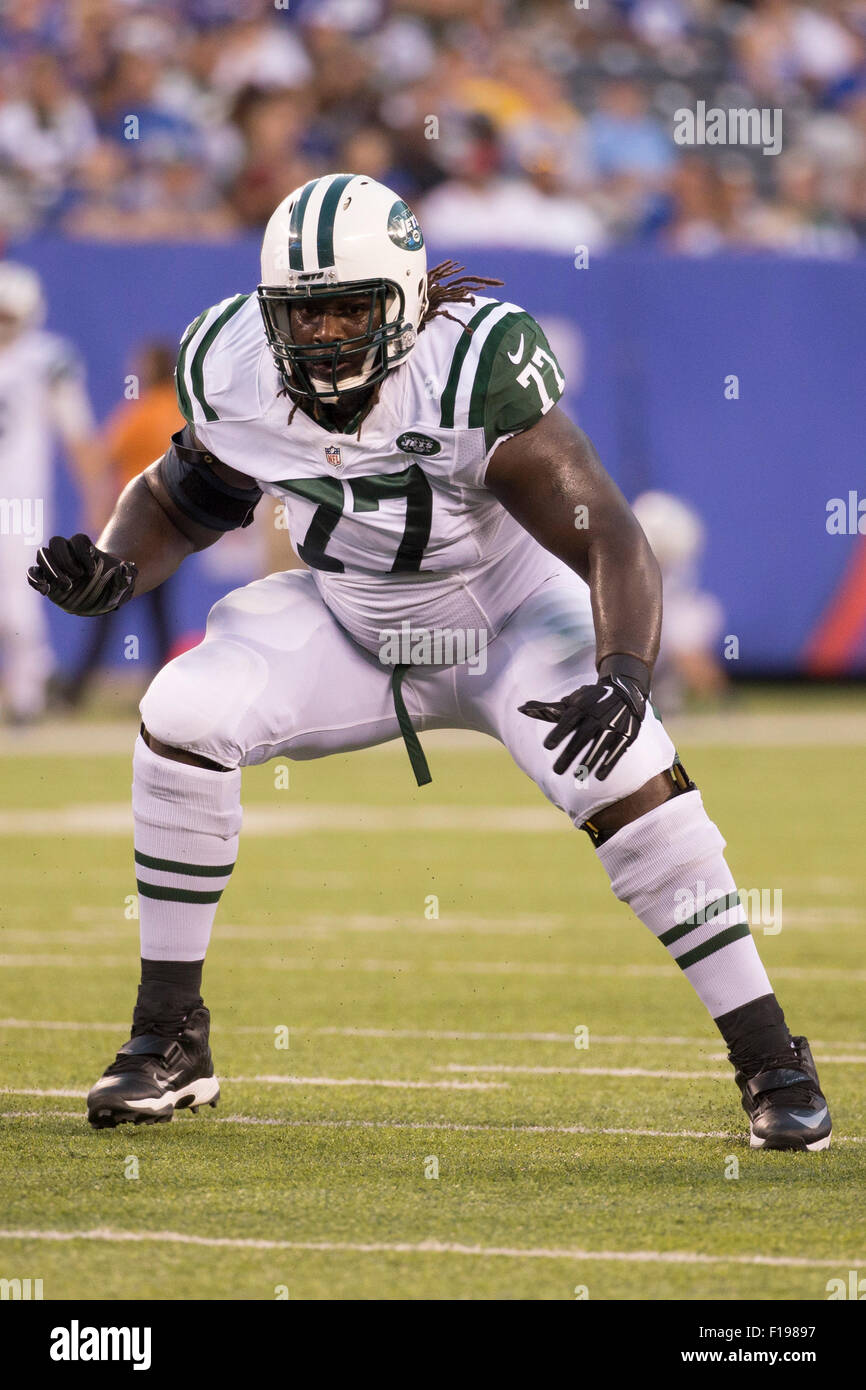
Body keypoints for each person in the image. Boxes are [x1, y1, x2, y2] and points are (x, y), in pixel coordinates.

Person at [29, 174, 831, 1151]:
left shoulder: (472, 364)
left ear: (406, 300)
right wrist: (115, 566)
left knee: (624, 771)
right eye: (302, 312)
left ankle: (769, 1056)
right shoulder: (229, 358)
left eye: (346, 309)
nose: (322, 336)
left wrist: (623, 670)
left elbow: (607, 534)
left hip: (506, 624)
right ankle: (167, 1038)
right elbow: (185, 495)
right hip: (351, 623)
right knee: (182, 712)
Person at [0, 261, 103, 722]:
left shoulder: (47, 359)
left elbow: (78, 435)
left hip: (18, 503)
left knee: (16, 606)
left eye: (9, 315)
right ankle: (34, 679)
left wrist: (97, 496)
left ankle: (26, 698)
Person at [61, 343, 182, 707]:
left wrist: (98, 507)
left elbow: (102, 457)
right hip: (172, 529)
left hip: (133, 526)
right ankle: (164, 689)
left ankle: (73, 691)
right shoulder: (181, 411)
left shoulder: (143, 411)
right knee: (159, 613)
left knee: (104, 605)